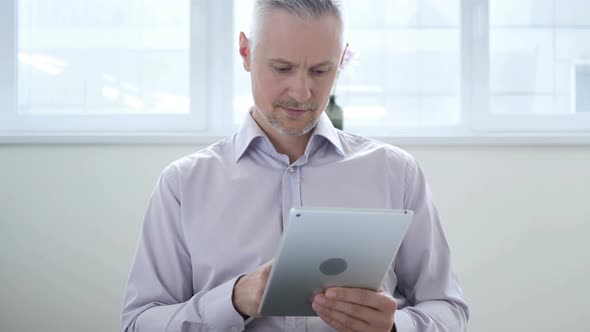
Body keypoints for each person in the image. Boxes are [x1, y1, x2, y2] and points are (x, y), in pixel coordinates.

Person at [121, 0, 469, 331]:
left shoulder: (396, 173)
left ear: (342, 58)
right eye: (282, 68)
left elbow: (449, 309)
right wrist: (232, 300)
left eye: (320, 70)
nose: (302, 92)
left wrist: (394, 326)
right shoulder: (184, 184)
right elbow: (138, 323)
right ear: (245, 52)